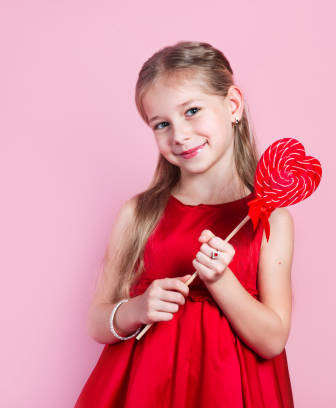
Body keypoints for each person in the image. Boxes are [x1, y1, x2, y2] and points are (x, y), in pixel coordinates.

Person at [74, 40, 295, 407]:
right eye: (161, 124)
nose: (178, 135)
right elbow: (97, 321)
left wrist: (221, 281)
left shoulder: (270, 220)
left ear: (233, 105)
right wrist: (137, 309)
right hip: (145, 392)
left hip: (232, 393)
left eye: (192, 111)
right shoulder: (139, 214)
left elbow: (273, 340)